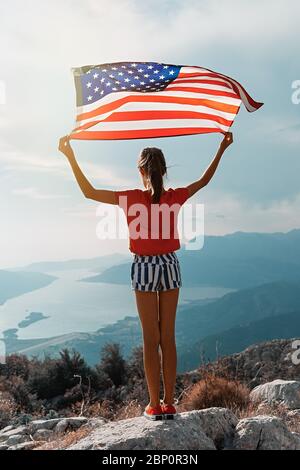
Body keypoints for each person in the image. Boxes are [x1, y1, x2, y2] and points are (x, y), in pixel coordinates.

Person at [58, 131, 233, 420]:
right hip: (170, 265)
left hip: (143, 267)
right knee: (168, 337)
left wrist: (70, 155)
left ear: (140, 171)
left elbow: (88, 191)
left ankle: (154, 405)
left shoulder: (130, 198)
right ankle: (169, 403)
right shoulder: (174, 197)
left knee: (150, 339)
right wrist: (221, 148)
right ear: (164, 171)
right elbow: (204, 180)